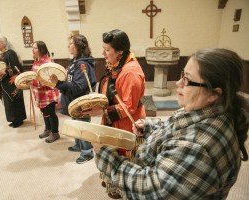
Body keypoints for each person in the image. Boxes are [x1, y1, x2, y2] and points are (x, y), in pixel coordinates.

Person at [93, 48, 249, 199]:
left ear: (214, 94)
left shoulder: (199, 149)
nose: (178, 83)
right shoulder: (204, 108)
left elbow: (151, 190)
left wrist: (106, 156)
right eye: (182, 74)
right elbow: (179, 126)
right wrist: (150, 126)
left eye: (187, 79)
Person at [85, 29, 146, 198]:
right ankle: (110, 179)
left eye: (107, 50)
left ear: (119, 51)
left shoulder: (130, 71)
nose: (103, 54)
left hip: (127, 121)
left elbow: (129, 107)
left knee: (120, 155)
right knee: (107, 148)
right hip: (114, 117)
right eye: (103, 49)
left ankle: (120, 187)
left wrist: (102, 110)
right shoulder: (118, 63)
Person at [50, 34, 97, 164]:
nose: (68, 46)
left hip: (81, 101)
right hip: (74, 101)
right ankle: (78, 145)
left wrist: (58, 83)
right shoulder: (74, 61)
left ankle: (87, 152)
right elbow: (70, 80)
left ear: (79, 46)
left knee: (82, 126)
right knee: (76, 124)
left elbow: (77, 87)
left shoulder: (82, 64)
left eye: (71, 43)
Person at [30, 41, 60, 143]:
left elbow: (48, 80)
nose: (32, 50)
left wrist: (33, 83)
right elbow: (34, 75)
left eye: (35, 48)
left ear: (41, 49)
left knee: (51, 113)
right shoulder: (36, 61)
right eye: (32, 48)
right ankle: (48, 129)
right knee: (45, 112)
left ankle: (55, 133)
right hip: (39, 93)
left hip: (48, 93)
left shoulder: (47, 63)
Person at [0, 36, 26, 128]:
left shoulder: (10, 53)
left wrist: (4, 72)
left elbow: (16, 68)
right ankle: (13, 119)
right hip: (4, 83)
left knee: (15, 101)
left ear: (4, 44)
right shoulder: (0, 56)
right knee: (8, 103)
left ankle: (18, 120)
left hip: (12, 82)